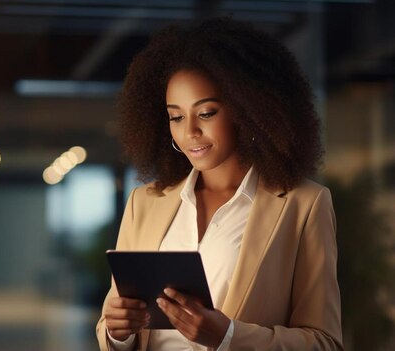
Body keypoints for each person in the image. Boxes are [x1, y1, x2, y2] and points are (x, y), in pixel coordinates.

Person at [96, 17, 343, 351]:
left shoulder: (304, 204)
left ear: (247, 110)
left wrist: (227, 337)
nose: (190, 132)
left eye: (207, 112)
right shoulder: (145, 202)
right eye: (176, 116)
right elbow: (114, 327)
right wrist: (117, 332)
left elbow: (325, 343)